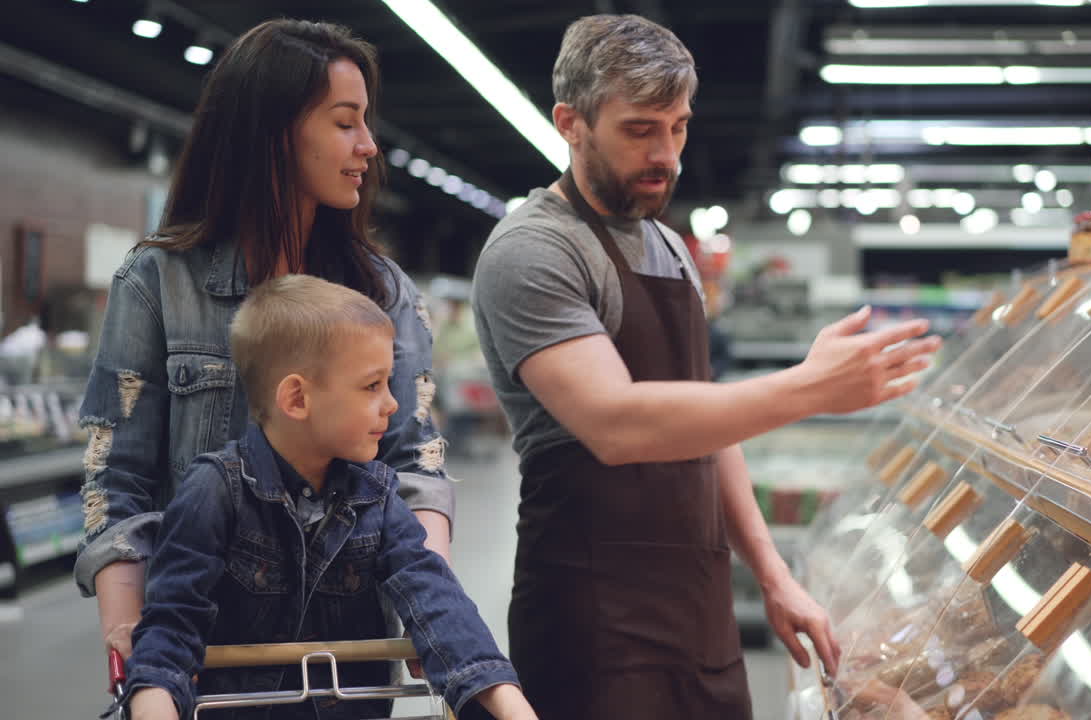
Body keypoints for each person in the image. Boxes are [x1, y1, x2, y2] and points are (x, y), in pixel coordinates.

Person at [471, 13, 942, 719]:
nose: (666, 154)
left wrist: (773, 574)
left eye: (678, 127)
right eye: (640, 130)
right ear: (571, 123)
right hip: (593, 623)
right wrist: (809, 387)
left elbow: (709, 426)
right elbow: (616, 425)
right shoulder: (536, 250)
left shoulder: (670, 248)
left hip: (699, 611)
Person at [74, 19, 455, 667]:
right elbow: (118, 477)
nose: (369, 145)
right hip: (200, 644)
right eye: (345, 122)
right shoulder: (158, 281)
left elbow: (414, 466)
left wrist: (434, 608)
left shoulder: (382, 290)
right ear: (274, 132)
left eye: (365, 122)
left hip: (349, 655)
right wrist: (127, 626)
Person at [122, 276, 532, 720]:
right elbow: (170, 629)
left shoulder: (377, 496)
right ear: (297, 398)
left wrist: (508, 704)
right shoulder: (214, 493)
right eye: (372, 386)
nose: (392, 404)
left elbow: (434, 596)